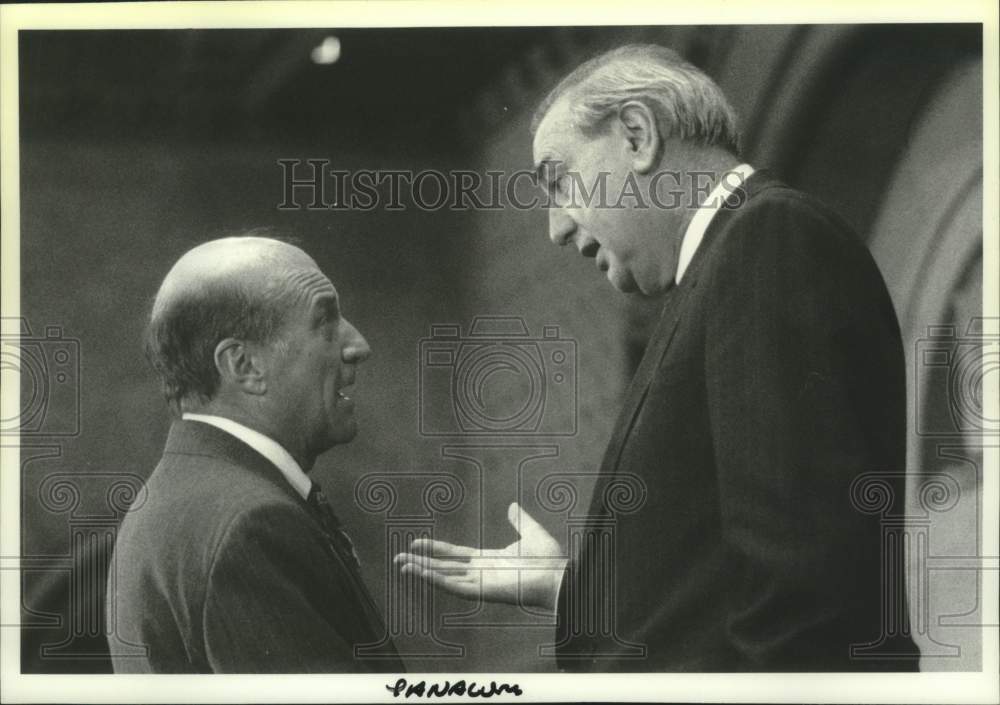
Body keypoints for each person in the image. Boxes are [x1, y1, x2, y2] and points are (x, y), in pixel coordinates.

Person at [395, 44, 919, 671]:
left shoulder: (765, 242)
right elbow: (718, 592)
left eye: (558, 181)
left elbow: (805, 595)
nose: (555, 228)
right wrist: (570, 592)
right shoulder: (728, 263)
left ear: (638, 136)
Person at [107, 235, 402, 673]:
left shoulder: (178, 502)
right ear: (244, 366)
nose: (358, 344)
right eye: (325, 322)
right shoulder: (251, 523)